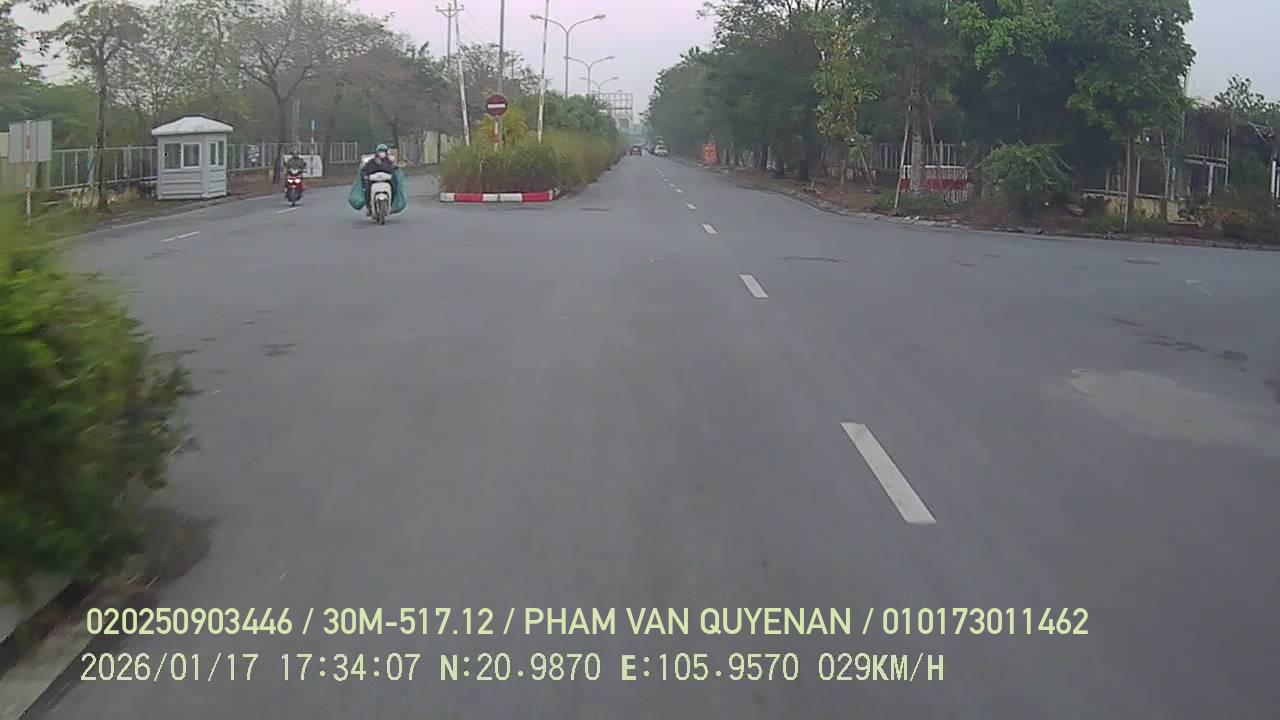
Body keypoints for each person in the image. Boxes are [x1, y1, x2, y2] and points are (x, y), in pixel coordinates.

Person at [360, 144, 398, 215]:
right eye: (380, 151)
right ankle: (369, 207)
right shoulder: (371, 161)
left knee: (394, 188)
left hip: (386, 181)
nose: (382, 153)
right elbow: (365, 169)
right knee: (367, 190)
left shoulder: (389, 161)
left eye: (383, 151)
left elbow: (394, 169)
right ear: (377, 152)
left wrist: (395, 167)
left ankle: (391, 204)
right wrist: (365, 175)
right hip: (373, 181)